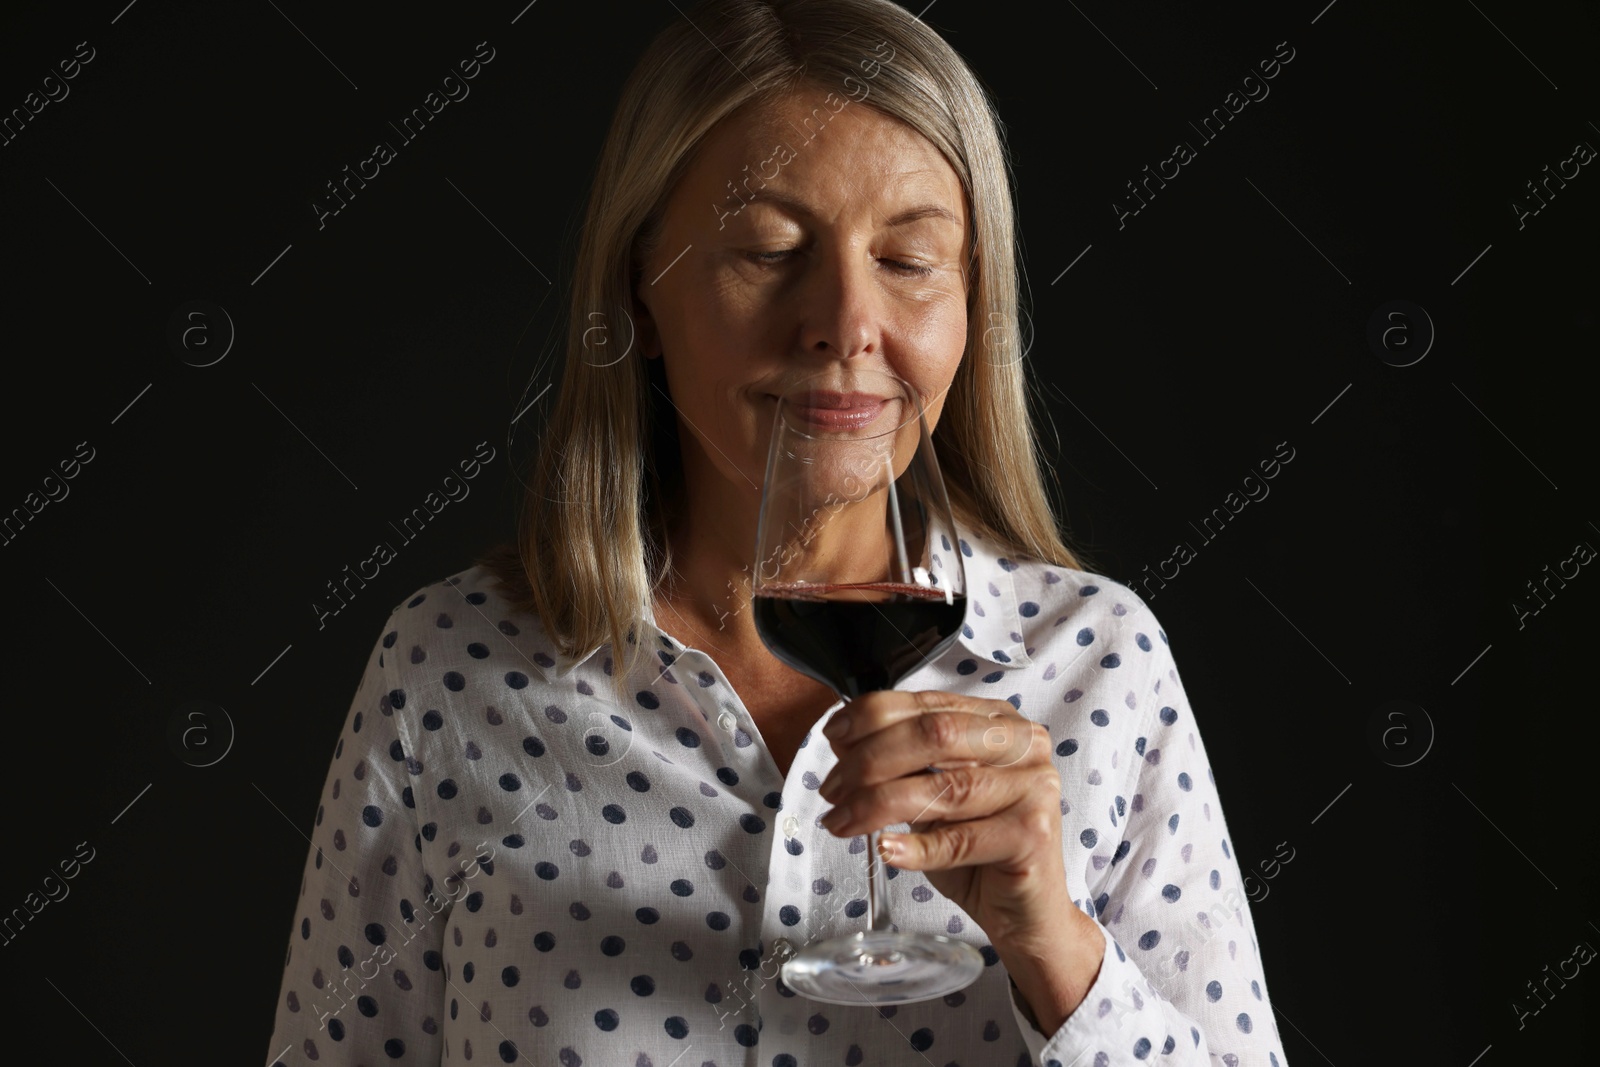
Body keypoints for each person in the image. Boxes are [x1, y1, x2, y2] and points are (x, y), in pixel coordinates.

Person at [262, 1, 1291, 1063]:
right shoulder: (446, 670)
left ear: (970, 306)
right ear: (640, 296)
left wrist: (1056, 949)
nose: (845, 320)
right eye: (767, 248)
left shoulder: (1098, 662)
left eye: (907, 259)